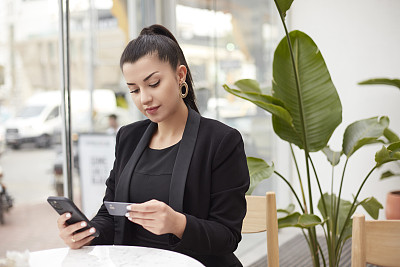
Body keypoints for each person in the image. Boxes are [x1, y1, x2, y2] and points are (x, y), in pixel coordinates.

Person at [56, 24, 250, 267]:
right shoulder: (128, 137)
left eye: (154, 83)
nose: (144, 98)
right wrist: (86, 233)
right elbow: (110, 214)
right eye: (134, 90)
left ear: (180, 75)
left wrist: (177, 223)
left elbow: (227, 237)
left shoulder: (221, 141)